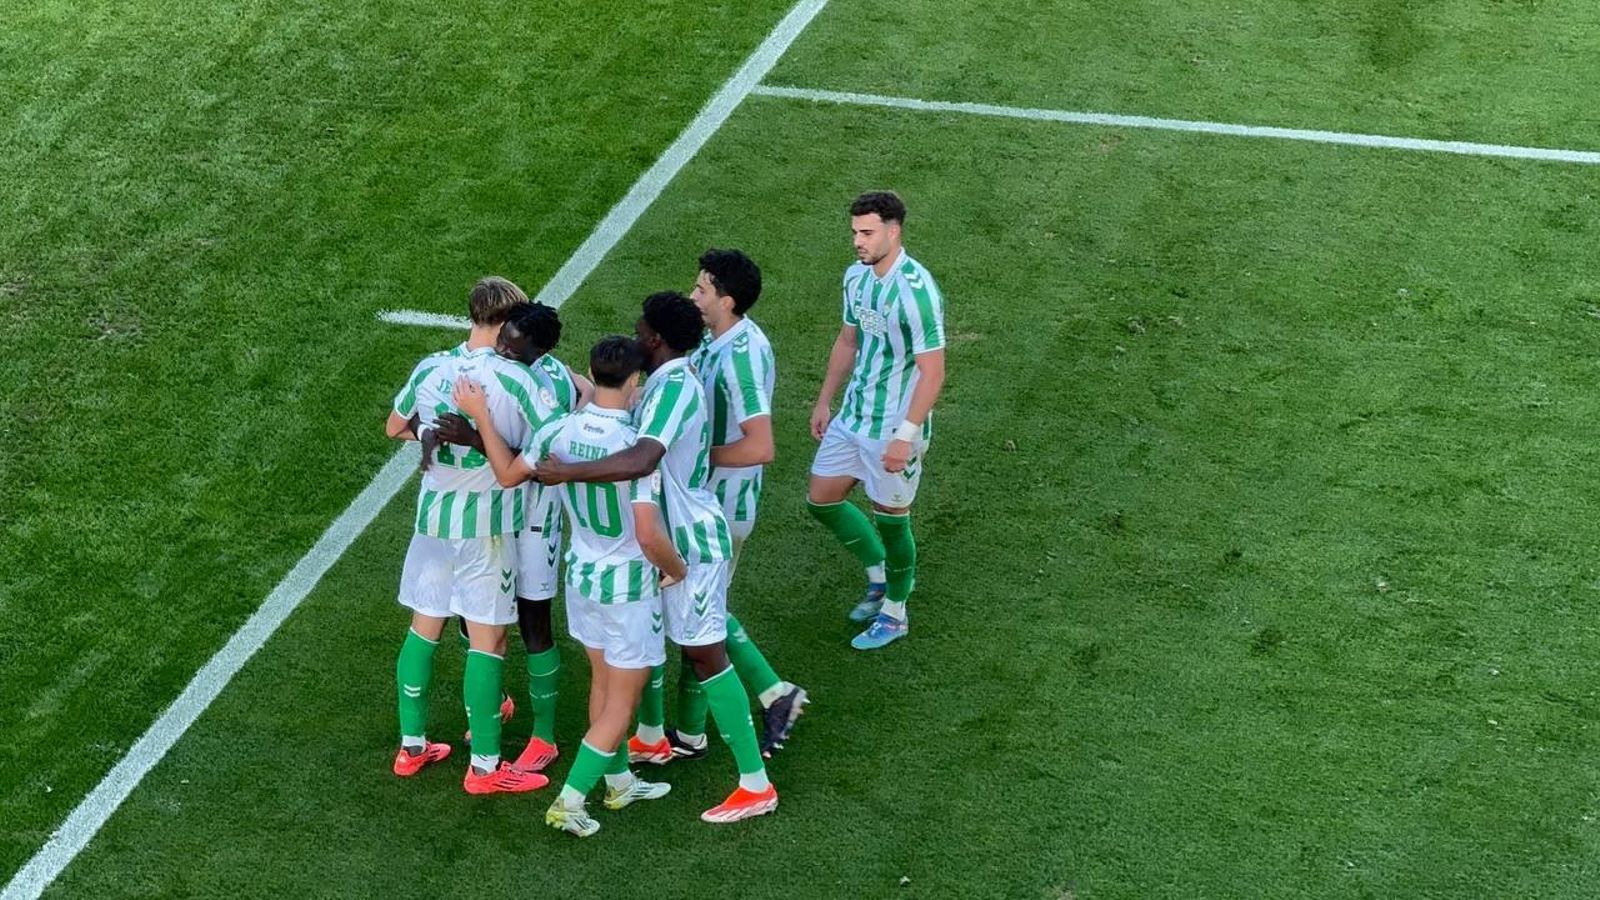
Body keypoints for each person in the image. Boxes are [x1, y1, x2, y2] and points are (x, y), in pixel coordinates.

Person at [536, 291, 778, 823]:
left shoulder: (675, 387)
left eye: (640, 330)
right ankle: (632, 763)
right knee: (632, 663)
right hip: (666, 545)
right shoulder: (666, 383)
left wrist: (567, 472)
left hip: (690, 544)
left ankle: (755, 784)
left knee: (706, 655)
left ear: (655, 340)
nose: (636, 336)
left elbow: (644, 458)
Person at [453, 336, 677, 837]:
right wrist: (677, 568)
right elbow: (647, 533)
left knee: (603, 683)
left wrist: (482, 419)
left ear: (591, 375)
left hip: (581, 577)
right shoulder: (637, 446)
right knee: (623, 701)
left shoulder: (557, 429)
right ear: (635, 381)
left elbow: (508, 475)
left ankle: (618, 780)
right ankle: (570, 801)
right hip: (628, 585)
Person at [383, 278, 557, 793]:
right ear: (507, 323)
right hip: (487, 528)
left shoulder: (431, 367)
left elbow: (396, 426)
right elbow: (553, 446)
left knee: (424, 628)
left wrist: (428, 434)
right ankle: (485, 767)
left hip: (433, 520)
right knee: (489, 640)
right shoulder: (518, 379)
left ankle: (412, 746)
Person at [806, 191, 947, 650]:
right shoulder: (856, 277)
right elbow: (848, 341)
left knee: (891, 518)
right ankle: (880, 575)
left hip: (892, 427)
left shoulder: (916, 294)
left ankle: (895, 612)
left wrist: (905, 437)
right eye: (854, 232)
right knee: (821, 499)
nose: (858, 241)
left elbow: (933, 372)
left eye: (866, 233)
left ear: (893, 231)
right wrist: (824, 401)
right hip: (854, 415)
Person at [683, 248, 807, 757]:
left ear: (727, 301)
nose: (693, 295)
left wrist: (694, 454)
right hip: (704, 502)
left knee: (701, 613)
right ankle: (689, 731)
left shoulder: (742, 358)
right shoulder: (714, 338)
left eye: (702, 289)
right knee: (696, 612)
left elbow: (761, 446)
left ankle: (775, 692)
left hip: (721, 507)